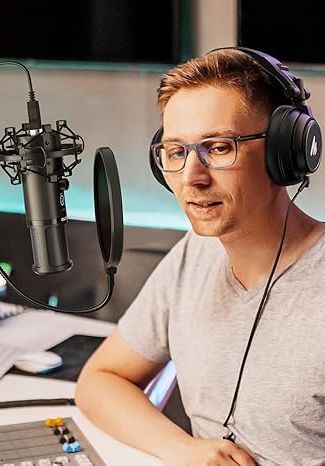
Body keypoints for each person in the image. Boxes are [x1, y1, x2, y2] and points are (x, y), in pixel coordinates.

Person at [75, 48, 325, 466]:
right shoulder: (195, 253)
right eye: (176, 152)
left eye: (219, 147)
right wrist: (182, 449)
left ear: (285, 151)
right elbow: (100, 380)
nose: (192, 177)